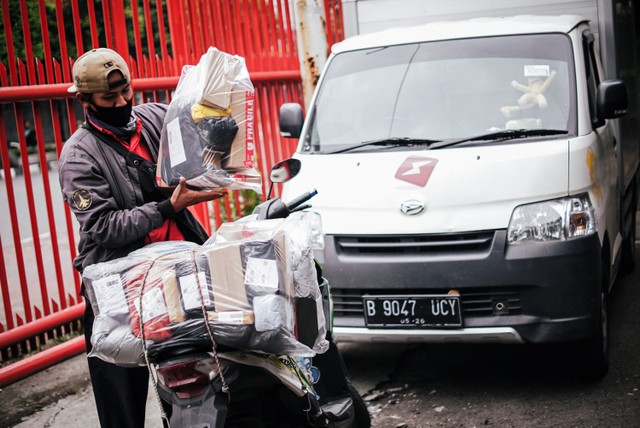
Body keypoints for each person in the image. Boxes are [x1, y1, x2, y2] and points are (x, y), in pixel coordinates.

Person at [58, 48, 226, 428]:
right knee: (121, 395)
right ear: (84, 101)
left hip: (175, 273)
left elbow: (200, 136)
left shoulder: (153, 116)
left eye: (125, 92)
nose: (120, 103)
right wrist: (168, 207)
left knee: (192, 377)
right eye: (108, 98)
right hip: (118, 284)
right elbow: (103, 227)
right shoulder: (78, 156)